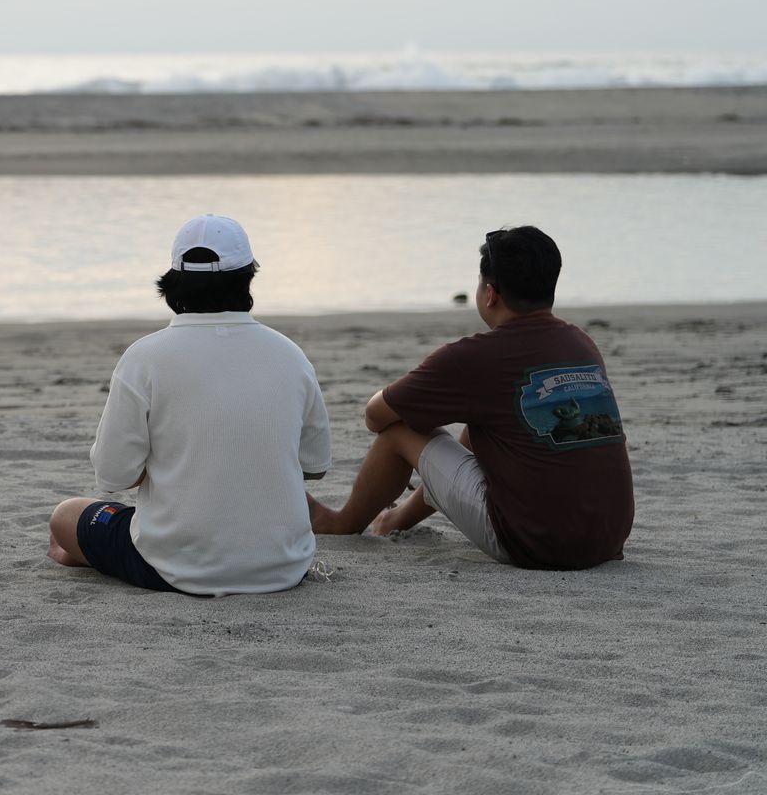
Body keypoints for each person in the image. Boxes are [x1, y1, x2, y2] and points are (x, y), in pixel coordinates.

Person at [309, 226, 633, 569]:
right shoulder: (581, 343)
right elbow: (474, 446)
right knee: (484, 426)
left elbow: (376, 415)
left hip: (538, 543)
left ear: (490, 294)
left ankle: (343, 524)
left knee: (400, 429)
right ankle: (395, 519)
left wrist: (405, 395)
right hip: (608, 537)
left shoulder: (476, 356)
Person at [47, 214, 332, 597]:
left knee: (65, 516)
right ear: (248, 275)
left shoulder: (144, 357)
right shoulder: (290, 355)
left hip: (175, 568)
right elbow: (315, 467)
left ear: (174, 279)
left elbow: (114, 476)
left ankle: (85, 556)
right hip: (285, 567)